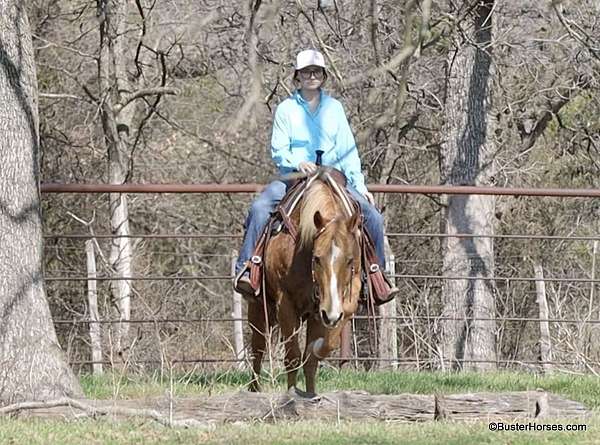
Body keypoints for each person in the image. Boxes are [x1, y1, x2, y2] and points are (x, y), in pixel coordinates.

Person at [234, 49, 398, 300]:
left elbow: (348, 149)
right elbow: (278, 150)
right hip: (294, 178)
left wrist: (360, 184)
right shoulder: (286, 109)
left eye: (317, 72)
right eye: (306, 72)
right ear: (297, 77)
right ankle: (249, 268)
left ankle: (376, 275)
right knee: (259, 208)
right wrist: (297, 162)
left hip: (333, 178)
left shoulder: (335, 109)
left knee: (373, 217)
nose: (312, 76)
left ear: (323, 76)